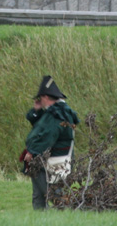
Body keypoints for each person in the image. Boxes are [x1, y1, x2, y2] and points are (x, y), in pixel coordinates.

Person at [23, 75, 79, 210]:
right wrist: (36, 110)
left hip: (53, 160)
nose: (39, 100)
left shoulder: (56, 114)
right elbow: (39, 125)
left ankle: (61, 218)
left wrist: (33, 151)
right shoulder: (56, 112)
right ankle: (40, 223)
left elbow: (48, 136)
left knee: (51, 193)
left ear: (46, 97)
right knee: (39, 194)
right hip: (53, 159)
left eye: (40, 98)